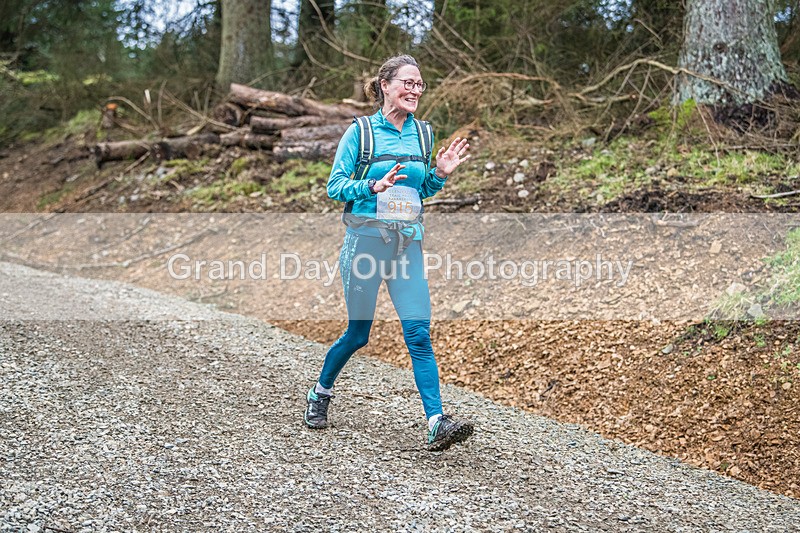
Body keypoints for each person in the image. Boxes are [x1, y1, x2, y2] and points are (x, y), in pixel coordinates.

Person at [303, 54, 474, 451]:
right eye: (407, 83)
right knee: (358, 334)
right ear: (385, 85)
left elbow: (421, 190)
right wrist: (371, 187)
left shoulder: (424, 134)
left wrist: (440, 175)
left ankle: (436, 421)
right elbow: (335, 187)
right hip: (365, 244)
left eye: (419, 84)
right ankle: (321, 392)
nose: (415, 90)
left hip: (407, 245)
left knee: (418, 332)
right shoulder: (361, 133)